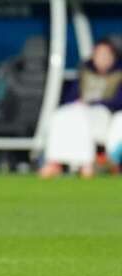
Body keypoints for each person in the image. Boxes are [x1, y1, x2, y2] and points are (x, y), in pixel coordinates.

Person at [41, 40, 122, 178]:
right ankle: (54, 162)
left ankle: (86, 164)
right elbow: (71, 96)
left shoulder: (119, 75)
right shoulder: (85, 72)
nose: (102, 59)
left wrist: (93, 103)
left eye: (105, 55)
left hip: (104, 112)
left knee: (82, 119)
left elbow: (118, 101)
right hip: (80, 108)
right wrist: (78, 102)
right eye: (99, 55)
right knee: (60, 115)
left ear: (113, 57)